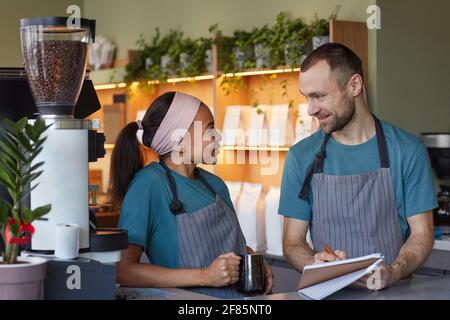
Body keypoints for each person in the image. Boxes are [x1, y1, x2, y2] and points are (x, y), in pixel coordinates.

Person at [279, 43, 437, 290]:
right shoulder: (301, 157)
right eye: (307, 98)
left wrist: (394, 271)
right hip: (329, 293)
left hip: (394, 293)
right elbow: (292, 241)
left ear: (354, 85)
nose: (311, 110)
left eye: (319, 96)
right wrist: (312, 262)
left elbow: (422, 233)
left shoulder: (407, 150)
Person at [110, 91, 273, 298]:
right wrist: (206, 276)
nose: (218, 136)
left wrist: (254, 260)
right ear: (179, 141)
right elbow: (125, 271)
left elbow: (230, 248)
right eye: (209, 129)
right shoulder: (148, 185)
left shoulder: (215, 185)